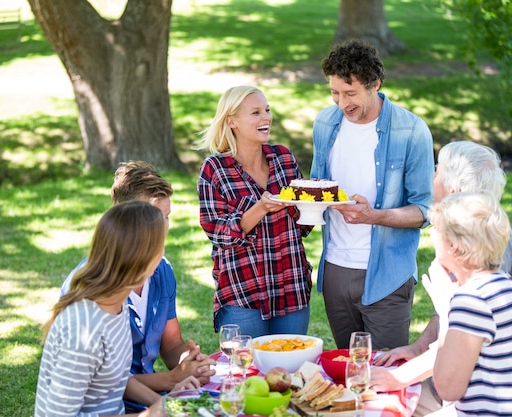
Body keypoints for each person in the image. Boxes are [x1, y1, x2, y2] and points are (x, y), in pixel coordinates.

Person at [371, 141, 512, 416]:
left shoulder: (479, 263)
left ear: (454, 191)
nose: (431, 178)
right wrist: (418, 348)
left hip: (482, 394)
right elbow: (452, 320)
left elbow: (459, 354)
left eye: (437, 172)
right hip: (468, 380)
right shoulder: (479, 241)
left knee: (377, 402)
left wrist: (398, 378)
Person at [310, 39, 434, 350]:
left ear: (375, 84)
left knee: (382, 379)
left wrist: (374, 217)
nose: (341, 103)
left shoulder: (411, 131)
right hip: (336, 270)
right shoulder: (325, 123)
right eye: (335, 93)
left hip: (386, 275)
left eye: (350, 93)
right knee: (347, 373)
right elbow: (315, 187)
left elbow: (425, 210)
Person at [60, 161, 215, 402]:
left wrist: (189, 362)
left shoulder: (161, 270)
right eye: (154, 218)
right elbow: (108, 383)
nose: (164, 228)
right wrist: (171, 380)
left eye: (166, 217)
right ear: (126, 221)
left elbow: (172, 344)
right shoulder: (90, 293)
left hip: (149, 397)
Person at [36, 200, 200, 417]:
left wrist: (166, 404)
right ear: (140, 259)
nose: (163, 254)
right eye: (160, 246)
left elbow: (119, 379)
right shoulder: (84, 329)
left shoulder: (116, 305)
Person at [195, 85, 313, 337]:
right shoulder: (215, 169)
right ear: (232, 121)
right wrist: (260, 208)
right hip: (243, 293)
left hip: (291, 287)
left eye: (267, 110)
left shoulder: (284, 158)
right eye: (256, 112)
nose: (266, 118)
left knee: (290, 371)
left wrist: (313, 206)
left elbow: (304, 226)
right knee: (244, 373)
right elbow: (219, 233)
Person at [428, 192, 512, 416]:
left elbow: (447, 389)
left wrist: (446, 312)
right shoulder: (511, 286)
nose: (431, 235)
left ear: (453, 245)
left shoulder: (472, 300)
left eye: (435, 230)